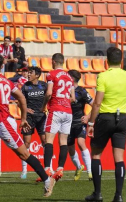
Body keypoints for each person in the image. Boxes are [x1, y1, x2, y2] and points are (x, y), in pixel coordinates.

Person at [0, 54, 56, 196]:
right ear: (2, 66)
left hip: (4, 123)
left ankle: (47, 180)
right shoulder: (7, 82)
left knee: (24, 154)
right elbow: (21, 97)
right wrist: (24, 118)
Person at [85, 47, 126, 202]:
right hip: (121, 118)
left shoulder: (103, 76)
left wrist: (90, 123)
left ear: (106, 60)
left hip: (105, 118)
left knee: (96, 155)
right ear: (121, 60)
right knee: (119, 159)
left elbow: (97, 103)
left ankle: (98, 194)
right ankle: (118, 196)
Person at [40, 53, 75, 182]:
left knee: (48, 140)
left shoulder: (51, 74)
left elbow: (49, 93)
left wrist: (44, 106)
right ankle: (60, 168)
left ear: (54, 62)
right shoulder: (70, 78)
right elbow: (73, 98)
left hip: (55, 110)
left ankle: (47, 169)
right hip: (68, 111)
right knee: (63, 141)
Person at [20, 66, 47, 179]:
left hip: (41, 117)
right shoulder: (25, 86)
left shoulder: (44, 85)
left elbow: (50, 97)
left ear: (37, 75)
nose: (28, 74)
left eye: (31, 73)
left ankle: (47, 168)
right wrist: (25, 110)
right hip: (29, 118)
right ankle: (24, 170)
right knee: (26, 144)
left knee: (45, 142)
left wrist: (45, 107)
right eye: (28, 72)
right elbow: (19, 102)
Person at [67, 70, 93, 181]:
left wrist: (87, 117)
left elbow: (95, 104)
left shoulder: (82, 91)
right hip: (67, 123)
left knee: (81, 143)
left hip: (79, 122)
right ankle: (78, 167)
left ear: (72, 79)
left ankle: (90, 172)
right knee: (70, 148)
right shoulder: (64, 91)